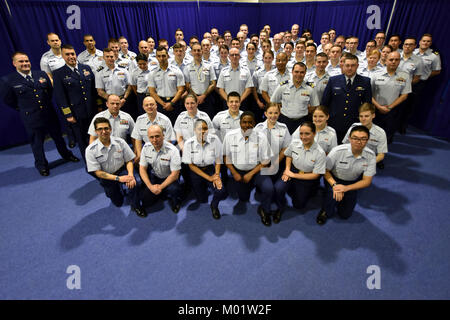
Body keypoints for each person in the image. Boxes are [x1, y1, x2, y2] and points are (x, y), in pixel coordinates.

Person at [1, 51, 80, 176]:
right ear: (14, 63)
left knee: (58, 138)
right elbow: (8, 100)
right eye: (21, 61)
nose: (25, 63)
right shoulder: (8, 80)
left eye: (26, 61)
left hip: (49, 114)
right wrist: (24, 108)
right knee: (37, 143)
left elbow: (49, 92)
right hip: (31, 118)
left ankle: (66, 155)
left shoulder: (41, 74)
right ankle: (42, 165)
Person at [316, 125, 376, 225]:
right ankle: (325, 210)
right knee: (332, 196)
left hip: (352, 183)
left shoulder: (371, 155)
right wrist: (335, 185)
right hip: (334, 179)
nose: (359, 141)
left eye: (363, 139)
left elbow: (367, 181)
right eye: (355, 138)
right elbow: (325, 171)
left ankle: (339, 198)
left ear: (368, 140)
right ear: (349, 138)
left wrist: (346, 188)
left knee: (345, 215)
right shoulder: (337, 151)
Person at [223, 111, 274, 226]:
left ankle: (264, 210)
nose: (247, 125)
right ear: (240, 123)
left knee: (269, 188)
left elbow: (266, 161)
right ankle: (248, 189)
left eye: (250, 122)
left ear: (254, 123)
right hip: (239, 172)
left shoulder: (261, 137)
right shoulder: (230, 136)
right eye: (244, 122)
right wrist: (234, 173)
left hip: (257, 170)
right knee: (243, 198)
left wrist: (251, 174)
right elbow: (226, 157)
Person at [85, 117, 143, 214]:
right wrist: (118, 179)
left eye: (106, 128)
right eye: (100, 129)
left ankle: (136, 206)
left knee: (133, 184)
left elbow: (129, 160)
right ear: (96, 131)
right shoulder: (90, 150)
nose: (104, 131)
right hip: (106, 175)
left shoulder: (120, 142)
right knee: (118, 202)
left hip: (121, 170)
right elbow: (98, 173)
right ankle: (115, 191)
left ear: (110, 129)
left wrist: (130, 175)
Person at [53, 44, 97, 162]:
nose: (71, 56)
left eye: (72, 54)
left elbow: (93, 90)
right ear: (62, 56)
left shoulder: (85, 68)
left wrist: (98, 107)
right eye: (67, 54)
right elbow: (60, 97)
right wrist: (68, 114)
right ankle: (89, 161)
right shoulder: (59, 73)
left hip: (91, 110)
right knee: (82, 139)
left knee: (95, 135)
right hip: (77, 113)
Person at [275, 121, 326, 221]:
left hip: (306, 177)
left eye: (307, 133)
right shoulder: (295, 143)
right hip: (292, 170)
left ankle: (301, 190)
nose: (303, 137)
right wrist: (287, 169)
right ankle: (280, 207)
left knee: (299, 205)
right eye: (301, 133)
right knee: (278, 188)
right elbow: (289, 155)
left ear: (314, 134)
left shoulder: (320, 153)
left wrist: (293, 175)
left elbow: (315, 175)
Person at [182, 119, 228, 219]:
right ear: (194, 130)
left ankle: (214, 206)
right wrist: (209, 178)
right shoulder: (188, 143)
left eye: (205, 128)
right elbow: (191, 166)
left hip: (210, 169)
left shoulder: (215, 140)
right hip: (196, 171)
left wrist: (216, 176)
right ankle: (204, 189)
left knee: (221, 191)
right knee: (202, 199)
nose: (203, 131)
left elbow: (218, 160)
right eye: (199, 129)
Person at [321, 54, 372, 142]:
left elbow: (367, 105)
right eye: (347, 65)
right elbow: (324, 103)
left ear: (357, 66)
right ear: (343, 65)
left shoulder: (365, 82)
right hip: (334, 122)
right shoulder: (333, 80)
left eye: (353, 65)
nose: (349, 68)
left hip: (354, 123)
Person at [254, 103, 291, 223]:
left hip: (278, 165)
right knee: (269, 188)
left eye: (276, 113)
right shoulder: (258, 128)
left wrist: (275, 164)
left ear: (279, 114)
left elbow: (285, 149)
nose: (273, 115)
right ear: (265, 114)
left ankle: (280, 208)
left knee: (279, 188)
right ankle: (264, 210)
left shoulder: (284, 128)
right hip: (262, 166)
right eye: (270, 113)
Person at [139, 124, 183, 214]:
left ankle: (176, 202)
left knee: (173, 190)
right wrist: (150, 186)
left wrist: (160, 187)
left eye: (157, 136)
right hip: (155, 178)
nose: (154, 140)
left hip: (170, 178)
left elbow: (175, 175)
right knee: (145, 202)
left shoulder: (173, 150)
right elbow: (142, 169)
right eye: (151, 137)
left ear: (163, 136)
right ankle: (160, 193)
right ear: (148, 138)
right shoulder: (146, 148)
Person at [371, 51, 411, 143]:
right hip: (375, 109)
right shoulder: (376, 74)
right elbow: (369, 93)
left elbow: (404, 95)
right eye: (391, 59)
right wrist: (378, 106)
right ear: (385, 61)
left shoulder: (405, 75)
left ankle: (382, 153)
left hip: (393, 110)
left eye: (396, 60)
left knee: (387, 135)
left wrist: (389, 107)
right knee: (372, 134)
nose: (393, 62)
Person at [271, 62, 319, 134]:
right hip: (284, 121)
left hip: (302, 121)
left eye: (302, 72)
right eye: (296, 72)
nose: (299, 75)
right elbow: (273, 101)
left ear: (305, 73)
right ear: (292, 72)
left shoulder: (310, 88)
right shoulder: (283, 86)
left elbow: (314, 106)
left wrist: (303, 110)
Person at [131, 96, 175, 165]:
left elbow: (168, 141)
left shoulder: (165, 120)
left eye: (152, 104)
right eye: (147, 105)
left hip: (162, 152)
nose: (149, 107)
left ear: (156, 106)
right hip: (146, 152)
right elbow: (138, 139)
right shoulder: (139, 120)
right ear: (143, 107)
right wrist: (140, 155)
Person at [342, 103, 387, 168]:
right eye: (361, 116)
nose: (363, 119)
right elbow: (345, 145)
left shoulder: (380, 133)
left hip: (368, 160)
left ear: (373, 115)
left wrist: (368, 164)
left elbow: (381, 155)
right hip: (351, 158)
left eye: (366, 116)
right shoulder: (353, 127)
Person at [148, 46, 185, 124]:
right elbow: (152, 92)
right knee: (161, 128)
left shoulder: (176, 70)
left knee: (176, 127)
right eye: (159, 56)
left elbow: (181, 89)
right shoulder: (152, 73)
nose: (161, 58)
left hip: (175, 103)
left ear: (168, 56)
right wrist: (163, 104)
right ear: (156, 57)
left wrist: (171, 103)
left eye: (163, 56)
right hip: (160, 104)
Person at [95, 48, 133, 118]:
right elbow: (100, 91)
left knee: (125, 121)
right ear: (103, 57)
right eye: (107, 56)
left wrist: (124, 98)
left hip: (123, 101)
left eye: (111, 56)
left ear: (115, 57)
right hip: (109, 103)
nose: (110, 58)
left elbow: (130, 85)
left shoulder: (123, 69)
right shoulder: (99, 72)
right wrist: (112, 100)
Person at [183, 43, 217, 120]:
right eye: (194, 50)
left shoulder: (209, 65)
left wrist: (203, 96)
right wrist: (196, 97)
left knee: (208, 120)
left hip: (207, 98)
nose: (197, 52)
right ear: (191, 52)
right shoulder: (187, 67)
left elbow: (213, 83)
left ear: (202, 51)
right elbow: (187, 85)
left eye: (198, 50)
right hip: (193, 99)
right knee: (194, 120)